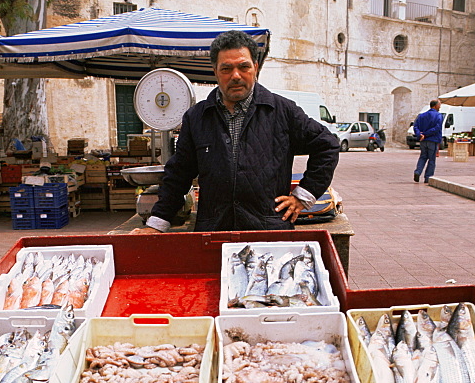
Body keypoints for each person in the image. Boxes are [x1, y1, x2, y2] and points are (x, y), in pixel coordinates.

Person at [131, 31, 339, 234]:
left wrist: (303, 196)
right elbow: (178, 174)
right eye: (226, 68)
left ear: (255, 68)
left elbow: (327, 145)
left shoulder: (282, 111)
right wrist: (156, 224)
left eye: (244, 66)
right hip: (214, 233)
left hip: (268, 232)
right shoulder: (196, 118)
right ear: (215, 71)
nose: (236, 75)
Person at [412, 99, 443, 183]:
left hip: (423, 140)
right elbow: (437, 128)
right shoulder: (438, 116)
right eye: (439, 105)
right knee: (431, 159)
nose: (440, 106)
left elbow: (415, 126)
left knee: (423, 156)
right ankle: (428, 177)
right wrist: (426, 134)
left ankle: (418, 171)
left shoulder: (421, 115)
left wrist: (420, 134)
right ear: (435, 106)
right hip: (432, 140)